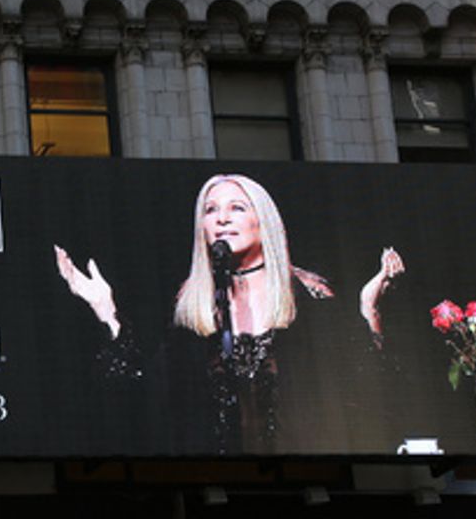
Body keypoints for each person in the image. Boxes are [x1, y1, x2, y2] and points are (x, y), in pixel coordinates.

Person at [54, 174, 405, 453]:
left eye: (237, 207)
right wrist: (106, 311)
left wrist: (368, 309)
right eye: (210, 210)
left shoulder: (309, 297)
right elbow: (142, 399)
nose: (221, 219)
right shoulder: (191, 310)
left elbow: (368, 390)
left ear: (262, 220)